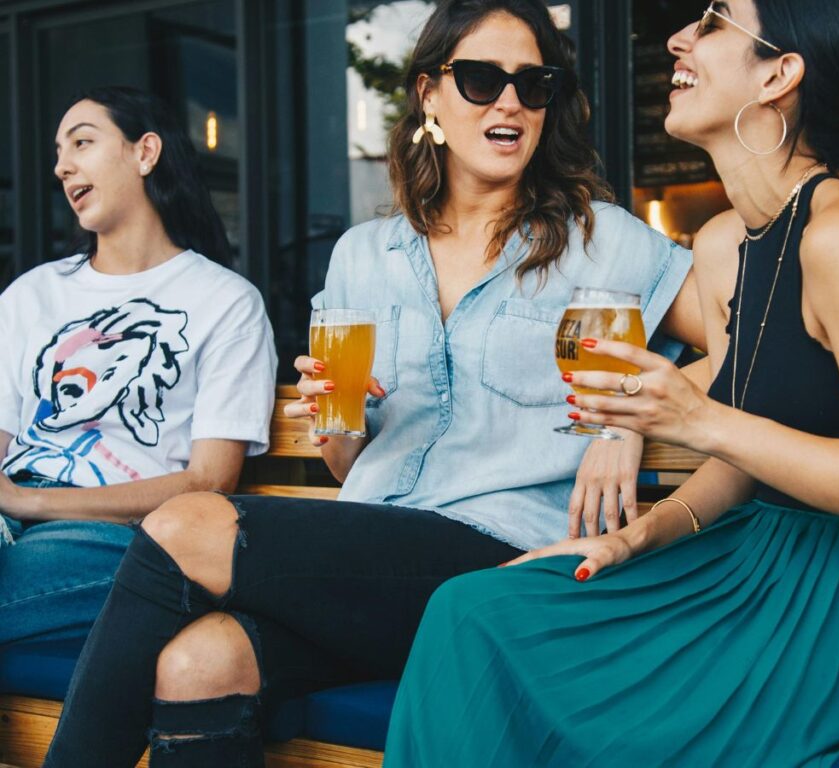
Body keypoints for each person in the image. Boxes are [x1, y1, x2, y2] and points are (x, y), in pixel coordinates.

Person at [43, 2, 704, 766]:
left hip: (506, 563)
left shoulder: (599, 239)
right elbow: (346, 467)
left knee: (186, 522)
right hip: (374, 562)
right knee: (199, 663)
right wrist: (345, 422)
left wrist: (623, 421)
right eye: (484, 79)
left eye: (534, 83)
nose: (511, 102)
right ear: (429, 95)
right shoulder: (362, 254)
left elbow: (739, 345)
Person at [385, 2, 839, 766]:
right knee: (470, 612)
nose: (677, 39)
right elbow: (747, 460)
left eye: (712, 22)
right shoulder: (720, 245)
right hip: (756, 563)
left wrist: (699, 419)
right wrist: (632, 537)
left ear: (780, 73)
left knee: (605, 714)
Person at [0, 86, 276, 648]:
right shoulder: (32, 294)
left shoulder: (225, 301)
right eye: (58, 152)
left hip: (114, 535)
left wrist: (30, 501)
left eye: (82, 142)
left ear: (145, 153)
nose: (62, 166)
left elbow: (209, 480)